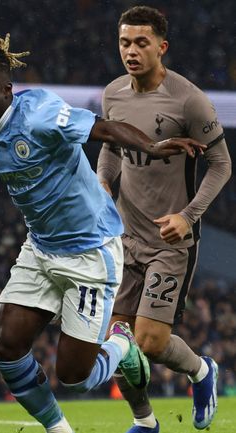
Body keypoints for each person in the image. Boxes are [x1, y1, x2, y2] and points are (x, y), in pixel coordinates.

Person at [0, 34, 205, 433]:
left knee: (76, 376)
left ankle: (121, 341)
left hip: (91, 250)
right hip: (40, 249)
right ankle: (59, 430)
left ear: (7, 91)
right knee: (6, 349)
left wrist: (153, 147)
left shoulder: (38, 112)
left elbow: (104, 129)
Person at [97, 6, 231, 432]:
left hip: (170, 242)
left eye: (141, 42)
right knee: (116, 343)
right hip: (124, 236)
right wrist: (104, 183)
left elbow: (221, 164)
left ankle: (201, 371)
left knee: (150, 343)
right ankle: (146, 421)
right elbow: (111, 146)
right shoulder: (113, 94)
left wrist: (189, 217)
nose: (131, 51)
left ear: (161, 46)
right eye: (124, 42)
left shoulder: (188, 99)